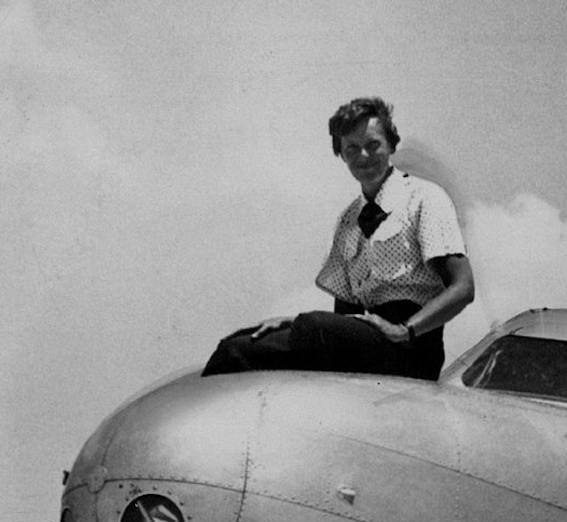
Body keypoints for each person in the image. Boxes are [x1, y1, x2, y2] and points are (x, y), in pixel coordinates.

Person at [203, 97, 475, 381]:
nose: (363, 156)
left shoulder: (424, 198)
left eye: (373, 145)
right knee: (237, 347)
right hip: (366, 341)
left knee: (312, 325)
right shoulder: (348, 221)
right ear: (341, 155)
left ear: (391, 145)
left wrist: (405, 329)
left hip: (412, 347)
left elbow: (463, 287)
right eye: (352, 149)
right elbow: (344, 319)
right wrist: (291, 325)